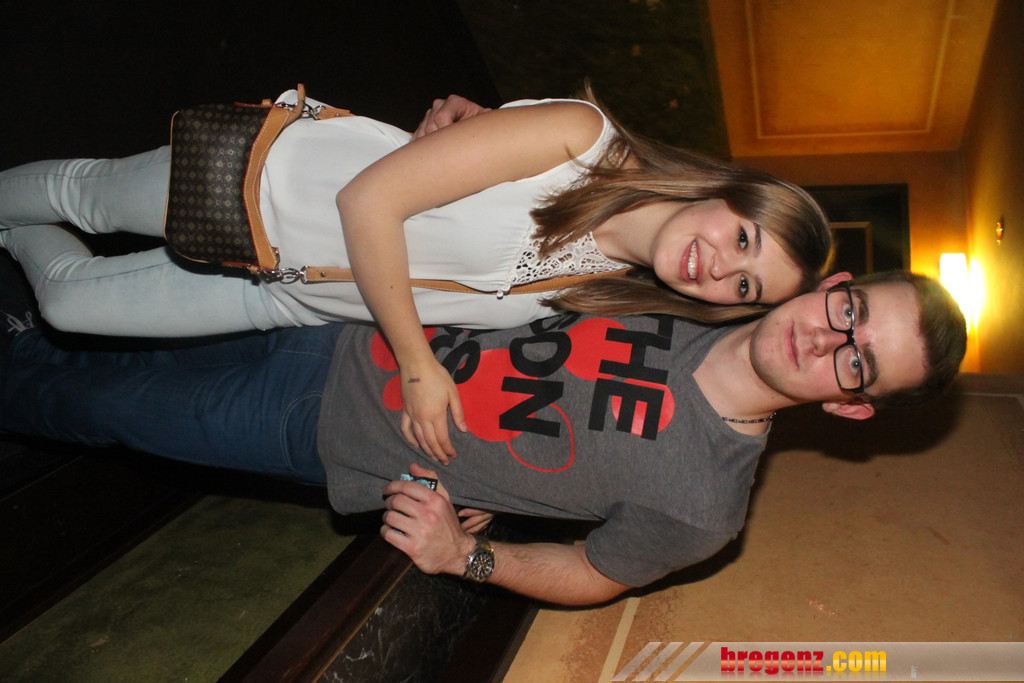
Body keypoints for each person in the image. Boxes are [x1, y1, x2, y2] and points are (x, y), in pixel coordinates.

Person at [0, 268, 966, 605]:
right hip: (342, 306)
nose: (826, 341)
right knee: (114, 326)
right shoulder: (698, 282)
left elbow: (596, 573)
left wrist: (465, 556)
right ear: (837, 286)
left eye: (858, 364)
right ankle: (26, 343)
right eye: (851, 315)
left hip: (325, 426)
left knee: (105, 409)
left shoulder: (705, 506)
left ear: (851, 407)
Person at [0, 91, 832, 460]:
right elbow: (370, 200)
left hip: (284, 292)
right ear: (724, 189)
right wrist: (417, 362)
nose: (721, 266)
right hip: (265, 186)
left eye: (744, 287)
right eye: (744, 238)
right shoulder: (581, 141)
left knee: (69, 304)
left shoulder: (597, 289)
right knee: (88, 195)